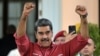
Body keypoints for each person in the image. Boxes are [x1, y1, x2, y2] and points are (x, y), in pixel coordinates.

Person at [14, 2, 89, 56]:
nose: (45, 37)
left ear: (52, 33)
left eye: (47, 32)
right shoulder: (28, 49)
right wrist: (24, 15)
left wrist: (83, 17)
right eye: (41, 33)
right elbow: (20, 38)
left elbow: (83, 39)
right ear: (35, 35)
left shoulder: (63, 49)